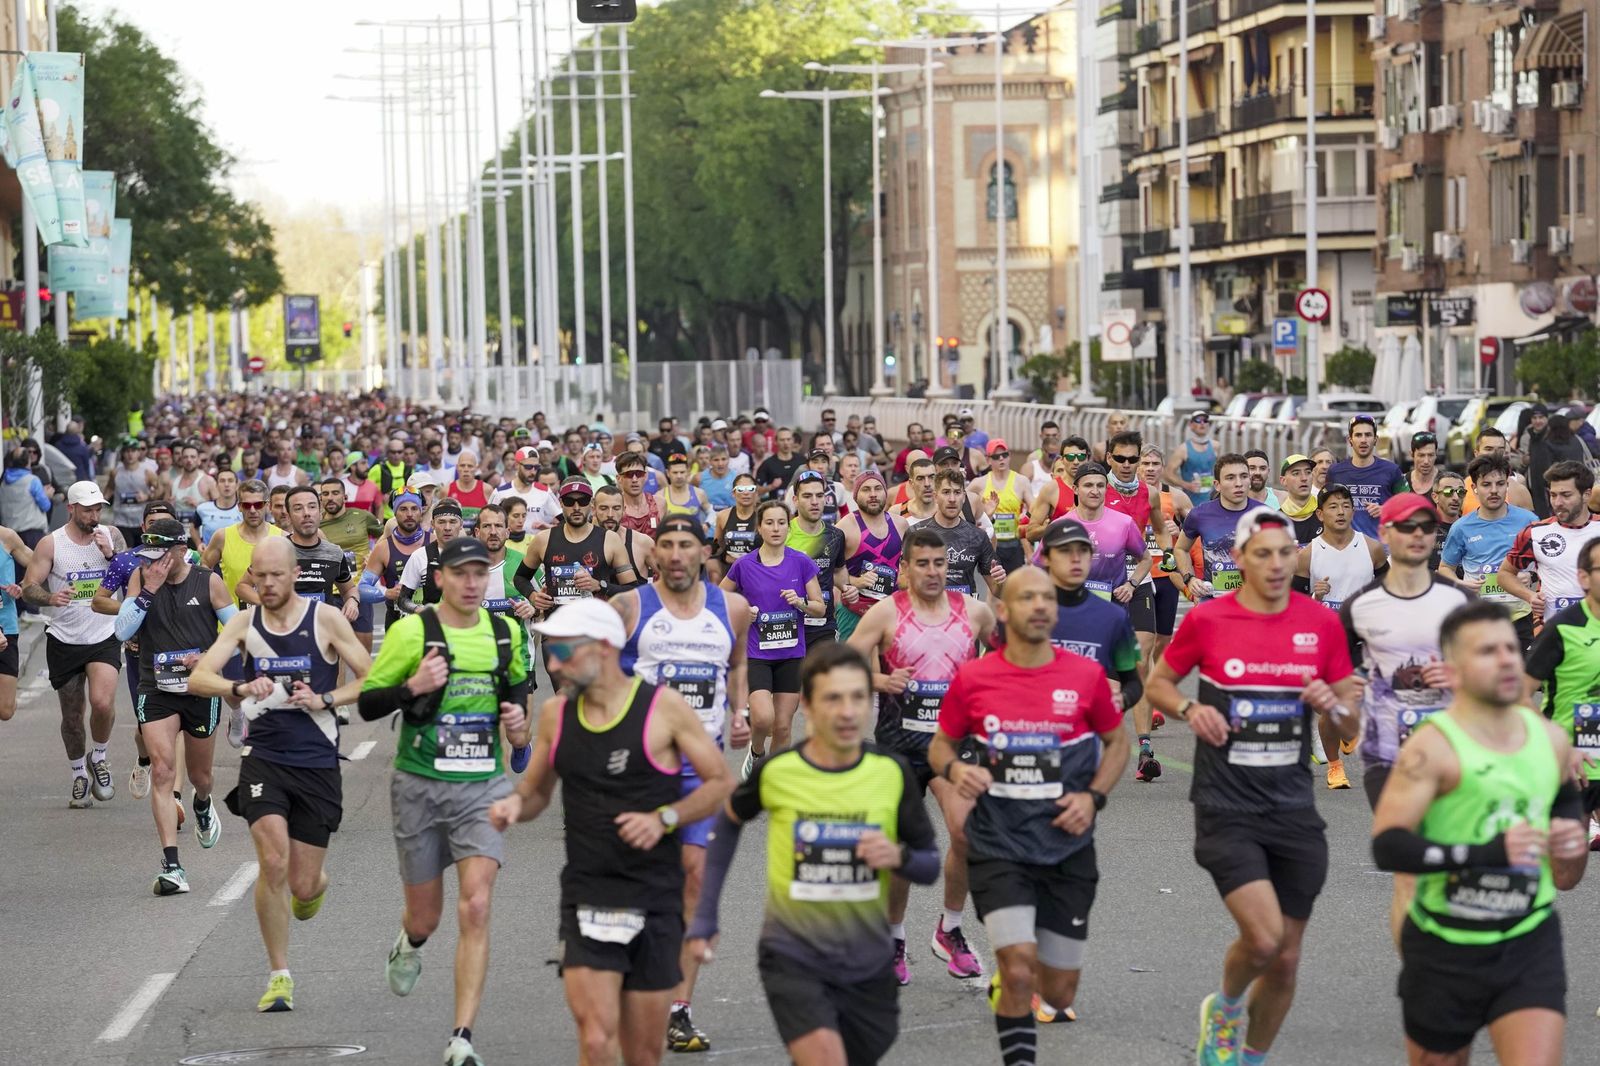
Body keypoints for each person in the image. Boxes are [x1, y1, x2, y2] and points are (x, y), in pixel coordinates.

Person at [1145, 508, 1361, 1066]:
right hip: (1227, 805)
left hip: (1293, 808)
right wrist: (1190, 709)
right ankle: (1226, 1006)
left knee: (1285, 960)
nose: (1276, 564)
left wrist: (1333, 707)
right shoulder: (1209, 619)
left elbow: (1349, 719)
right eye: (1262, 554)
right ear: (1240, 558)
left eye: (1285, 553)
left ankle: (1250, 1057)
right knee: (1264, 940)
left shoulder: (1320, 623)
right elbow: (1160, 683)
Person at [488, 600, 731, 1066]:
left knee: (642, 1053)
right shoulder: (557, 714)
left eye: (563, 651)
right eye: (550, 651)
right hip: (589, 896)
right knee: (597, 1040)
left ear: (602, 648)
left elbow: (720, 783)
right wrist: (513, 807)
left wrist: (664, 818)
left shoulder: (663, 709)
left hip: (654, 895)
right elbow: (536, 794)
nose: (554, 664)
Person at [685, 643, 940, 1066]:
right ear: (808, 705)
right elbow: (728, 820)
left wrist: (898, 857)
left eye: (857, 697)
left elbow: (929, 866)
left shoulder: (891, 772)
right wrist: (706, 916)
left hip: (867, 960)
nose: (847, 712)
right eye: (833, 698)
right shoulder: (779, 771)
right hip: (793, 953)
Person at [1372, 600, 1587, 1066]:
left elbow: (1566, 805)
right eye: (1488, 651)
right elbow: (1388, 846)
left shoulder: (1550, 739)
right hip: (1444, 945)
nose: (1507, 659)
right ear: (1453, 670)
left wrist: (1570, 836)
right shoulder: (1432, 748)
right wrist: (1488, 852)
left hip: (1528, 937)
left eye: (1510, 648)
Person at [929, 566, 1129, 1065]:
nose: (1039, 606)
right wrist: (956, 769)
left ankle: (1027, 987)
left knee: (1058, 992)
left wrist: (1093, 797)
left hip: (1067, 847)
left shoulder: (1085, 676)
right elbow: (939, 746)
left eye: (1047, 598)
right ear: (1002, 610)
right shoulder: (974, 678)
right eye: (1026, 598)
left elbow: (1117, 743)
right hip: (999, 845)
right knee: (1018, 970)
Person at [358, 537, 533, 1066]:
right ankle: (409, 942)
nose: (472, 583)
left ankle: (461, 1038)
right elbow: (368, 704)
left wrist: (518, 723)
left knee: (476, 905)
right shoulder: (413, 632)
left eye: (480, 573)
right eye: (461, 573)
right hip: (420, 785)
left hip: (482, 786)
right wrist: (412, 686)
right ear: (440, 579)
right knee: (426, 918)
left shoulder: (505, 633)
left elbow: (517, 689)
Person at [190, 534, 372, 1008]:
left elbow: (373, 677)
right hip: (264, 757)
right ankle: (279, 975)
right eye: (260, 575)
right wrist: (239, 686)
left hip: (316, 761)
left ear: (295, 574)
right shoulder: (245, 623)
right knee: (272, 862)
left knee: (304, 884)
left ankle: (314, 888)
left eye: (276, 575)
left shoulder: (325, 619)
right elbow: (199, 677)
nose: (267, 583)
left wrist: (326, 698)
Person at [612, 516, 752, 1054]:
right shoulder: (629, 607)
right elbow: (601, 677)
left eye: (685, 545)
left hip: (702, 769)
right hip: (641, 768)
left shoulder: (731, 609)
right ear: (655, 555)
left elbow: (736, 663)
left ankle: (678, 1008)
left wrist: (739, 710)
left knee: (695, 878)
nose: (675, 554)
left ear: (702, 551)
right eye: (666, 545)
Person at [848, 526, 998, 986]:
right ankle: (894, 938)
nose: (933, 572)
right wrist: (880, 681)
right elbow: (840, 665)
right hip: (899, 745)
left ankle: (949, 929)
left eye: (939, 563)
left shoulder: (974, 612)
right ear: (906, 568)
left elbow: (1009, 659)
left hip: (953, 744)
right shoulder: (885, 613)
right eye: (923, 564)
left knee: (967, 834)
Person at [1341, 494, 1469, 941]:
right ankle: (1417, 971)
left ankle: (1451, 957)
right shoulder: (1360, 605)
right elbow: (1338, 673)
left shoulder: (1460, 601)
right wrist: (1347, 691)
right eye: (1407, 526)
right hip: (1388, 755)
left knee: (1452, 870)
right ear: (1385, 533)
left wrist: (1459, 675)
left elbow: (1497, 675)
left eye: (1426, 527)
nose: (1418, 535)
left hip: (1454, 753)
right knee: (1410, 871)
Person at [113, 517, 237, 894]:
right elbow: (122, 630)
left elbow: (237, 636)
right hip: (156, 688)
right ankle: (172, 866)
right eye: (147, 555)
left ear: (181, 550)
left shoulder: (208, 582)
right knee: (164, 771)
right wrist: (149, 590)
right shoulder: (143, 579)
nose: (151, 562)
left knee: (200, 777)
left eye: (159, 555)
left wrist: (207, 658)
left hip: (200, 689)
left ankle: (202, 803)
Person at [21, 481, 127, 807]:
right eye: (88, 510)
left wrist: (111, 554)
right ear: (71, 509)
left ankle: (100, 756)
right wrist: (50, 598)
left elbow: (133, 576)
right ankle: (79, 772)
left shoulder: (112, 535)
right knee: (71, 716)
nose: (94, 516)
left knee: (103, 703)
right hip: (64, 637)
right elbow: (29, 586)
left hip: (103, 634)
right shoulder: (51, 544)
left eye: (98, 509)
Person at [719, 498, 825, 779]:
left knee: (783, 726)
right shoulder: (744, 565)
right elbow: (719, 599)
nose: (776, 528)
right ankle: (756, 753)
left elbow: (820, 607)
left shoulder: (801, 562)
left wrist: (801, 602)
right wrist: (743, 612)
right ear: (759, 527)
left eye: (781, 523)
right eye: (769, 523)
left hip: (791, 654)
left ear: (788, 527)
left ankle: (773, 777)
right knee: (764, 718)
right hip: (757, 654)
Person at [1036, 518, 1146, 784]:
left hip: (1082, 748)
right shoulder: (1027, 612)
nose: (1075, 559)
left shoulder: (1113, 618)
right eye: (1065, 551)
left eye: (1083, 551)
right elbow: (991, 670)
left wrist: (1117, 701)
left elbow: (1133, 682)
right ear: (1046, 558)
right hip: (1031, 740)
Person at [1295, 485, 1386, 790]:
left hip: (1361, 637)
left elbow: (1389, 590)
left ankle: (1348, 731)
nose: (1341, 512)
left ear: (1353, 510)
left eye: (1346, 505)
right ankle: (1335, 766)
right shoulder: (1308, 554)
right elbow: (1294, 605)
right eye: (1333, 507)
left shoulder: (1371, 548)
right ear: (1320, 514)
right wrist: (1315, 596)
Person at [1524, 535, 1600, 850]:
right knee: (1567, 863)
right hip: (1574, 761)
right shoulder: (1562, 628)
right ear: (1584, 577)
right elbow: (1519, 696)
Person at [1439, 454, 1539, 647]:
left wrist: (1531, 575)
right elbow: (1445, 568)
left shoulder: (1529, 521)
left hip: (1521, 617)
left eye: (1500, 484)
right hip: (1480, 618)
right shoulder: (1461, 527)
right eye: (1486, 485)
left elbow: (1546, 563)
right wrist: (1460, 583)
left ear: (1507, 486)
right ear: (1474, 488)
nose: (1494, 490)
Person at [512, 477, 639, 621]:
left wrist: (599, 586)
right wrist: (533, 596)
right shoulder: (543, 539)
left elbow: (633, 590)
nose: (576, 507)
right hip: (557, 627)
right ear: (561, 503)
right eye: (569, 501)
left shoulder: (610, 539)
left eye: (583, 501)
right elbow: (520, 577)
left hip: (597, 627)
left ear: (591, 504)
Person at [1498, 460, 1600, 627]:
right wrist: (1530, 596)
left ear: (1586, 495)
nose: (1557, 502)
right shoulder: (1534, 532)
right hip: (1553, 631)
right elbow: (1504, 574)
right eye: (1553, 495)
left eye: (1566, 495)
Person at [1172, 454, 1263, 598]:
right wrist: (1190, 579)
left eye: (1244, 476)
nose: (1239, 483)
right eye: (1230, 478)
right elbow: (1181, 549)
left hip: (1255, 600)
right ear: (1217, 485)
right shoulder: (1199, 514)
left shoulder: (1265, 514)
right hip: (1214, 600)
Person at [838, 470, 909, 641]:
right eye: (866, 489)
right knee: (853, 659)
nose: (873, 494)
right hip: (854, 613)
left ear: (885, 492)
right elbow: (827, 571)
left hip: (892, 613)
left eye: (878, 488)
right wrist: (856, 582)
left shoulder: (901, 524)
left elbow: (908, 567)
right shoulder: (844, 527)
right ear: (856, 496)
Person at [1066, 462, 1151, 601]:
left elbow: (1146, 559)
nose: (1095, 491)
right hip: (1073, 606)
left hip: (1113, 605)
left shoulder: (1124, 523)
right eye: (1088, 485)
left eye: (1100, 485)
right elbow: (1040, 566)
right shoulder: (1061, 525)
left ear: (1106, 488)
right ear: (1075, 489)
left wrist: (1131, 585)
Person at [318, 476, 385, 653]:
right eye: (325, 494)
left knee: (363, 652)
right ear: (320, 498)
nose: (330, 497)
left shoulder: (362, 516)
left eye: (335, 493)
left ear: (345, 496)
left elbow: (388, 534)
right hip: (330, 593)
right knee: (335, 653)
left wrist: (375, 556)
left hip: (359, 591)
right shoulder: (315, 523)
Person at [786, 470, 851, 648]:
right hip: (788, 622)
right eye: (807, 496)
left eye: (819, 495)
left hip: (823, 624)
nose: (814, 501)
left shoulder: (836, 535)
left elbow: (838, 572)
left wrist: (848, 588)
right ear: (795, 500)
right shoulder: (783, 533)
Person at [1327, 414, 1406, 538]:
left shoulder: (1392, 470)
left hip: (1381, 545)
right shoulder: (1335, 472)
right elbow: (1326, 508)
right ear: (1350, 440)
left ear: (1375, 439)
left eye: (1368, 435)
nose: (1363, 440)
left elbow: (1408, 505)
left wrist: (1386, 509)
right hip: (1345, 544)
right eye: (1358, 435)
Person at [927, 469, 1002, 598]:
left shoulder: (978, 536)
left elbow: (997, 590)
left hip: (966, 608)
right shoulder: (918, 533)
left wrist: (1000, 582)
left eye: (957, 492)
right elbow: (903, 583)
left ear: (964, 497)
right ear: (935, 497)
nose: (952, 499)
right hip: (930, 608)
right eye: (946, 492)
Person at [974, 440, 1033, 573]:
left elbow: (1034, 508)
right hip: (990, 544)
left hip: (1014, 544)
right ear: (988, 460)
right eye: (996, 456)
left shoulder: (1021, 481)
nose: (1001, 459)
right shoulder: (979, 483)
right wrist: (981, 517)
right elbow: (964, 504)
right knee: (994, 584)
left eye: (1004, 455)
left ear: (1009, 456)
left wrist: (1026, 519)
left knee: (1014, 583)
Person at [1530, 406, 1591, 518]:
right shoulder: (1576, 439)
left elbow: (1545, 470)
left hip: (1559, 486)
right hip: (1579, 483)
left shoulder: (1548, 444)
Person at [709, 474, 761, 584]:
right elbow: (717, 546)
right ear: (733, 493)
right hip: (730, 570)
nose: (746, 493)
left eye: (750, 489)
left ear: (756, 492)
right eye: (741, 489)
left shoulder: (764, 515)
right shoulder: (723, 516)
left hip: (757, 570)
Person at [1166, 412, 1218, 497]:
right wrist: (1187, 485)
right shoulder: (1183, 449)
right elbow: (1168, 474)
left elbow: (1221, 470)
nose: (1202, 423)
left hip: (1211, 498)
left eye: (1205, 420)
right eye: (1198, 420)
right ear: (1191, 425)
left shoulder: (1216, 446)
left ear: (1208, 425)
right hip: (1191, 500)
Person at [617, 451, 662, 539]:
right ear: (619, 478)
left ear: (645, 476)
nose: (634, 479)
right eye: (629, 474)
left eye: (639, 474)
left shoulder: (660, 503)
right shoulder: (613, 507)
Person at [195, 468, 242, 548]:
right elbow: (193, 528)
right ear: (216, 485)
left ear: (237, 485)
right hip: (210, 554)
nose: (226, 484)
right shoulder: (202, 509)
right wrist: (199, 544)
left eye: (230, 481)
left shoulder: (245, 509)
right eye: (222, 481)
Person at [1429, 470, 1466, 570]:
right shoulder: (1423, 530)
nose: (1456, 498)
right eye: (1448, 491)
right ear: (1435, 497)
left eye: (1461, 492)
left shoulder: (1472, 528)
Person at [444, 451, 491, 529]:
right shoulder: (446, 490)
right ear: (457, 467)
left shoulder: (487, 489)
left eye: (470, 466)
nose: (466, 469)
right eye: (462, 465)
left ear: (476, 468)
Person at [756, 427, 803, 501]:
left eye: (788, 439)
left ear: (793, 441)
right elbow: (756, 489)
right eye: (782, 440)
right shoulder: (768, 463)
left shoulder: (802, 460)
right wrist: (771, 486)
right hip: (777, 505)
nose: (786, 443)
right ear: (775, 441)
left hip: (798, 504)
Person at [1403, 432, 1441, 496]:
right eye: (1421, 455)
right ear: (1412, 454)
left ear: (1436, 454)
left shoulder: (1447, 483)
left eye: (1430, 455)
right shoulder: (1401, 483)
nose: (1426, 461)